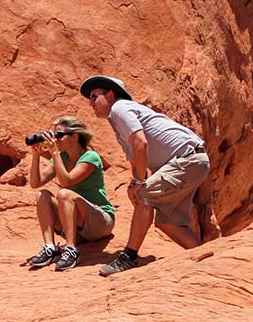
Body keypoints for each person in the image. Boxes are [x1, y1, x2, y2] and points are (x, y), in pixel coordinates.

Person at [79, 75, 213, 276]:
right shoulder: (117, 120)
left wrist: (140, 184)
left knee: (145, 195)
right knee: (169, 222)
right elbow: (135, 156)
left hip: (186, 160)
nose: (91, 103)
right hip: (190, 162)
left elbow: (141, 143)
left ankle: (129, 256)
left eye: (94, 96)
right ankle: (210, 262)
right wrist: (135, 183)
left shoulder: (120, 108)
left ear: (110, 94)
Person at [24, 116, 116, 271]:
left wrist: (54, 153)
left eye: (60, 135)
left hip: (100, 222)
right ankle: (50, 248)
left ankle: (71, 250)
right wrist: (36, 156)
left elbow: (67, 181)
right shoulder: (63, 157)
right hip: (76, 225)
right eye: (54, 135)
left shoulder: (90, 157)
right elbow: (35, 183)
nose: (56, 139)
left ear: (75, 136)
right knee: (42, 195)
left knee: (64, 194)